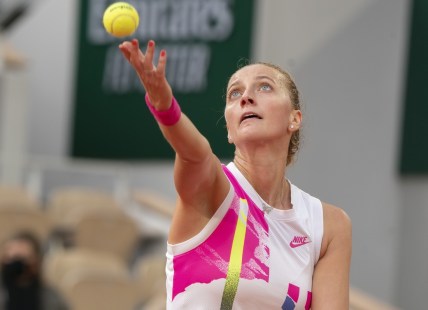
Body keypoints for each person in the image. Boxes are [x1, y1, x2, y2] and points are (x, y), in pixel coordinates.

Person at [119, 39, 352, 309]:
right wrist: (164, 105)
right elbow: (194, 154)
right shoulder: (212, 190)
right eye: (234, 93)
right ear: (229, 130)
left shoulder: (328, 226)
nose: (246, 97)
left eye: (264, 87)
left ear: (294, 119)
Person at [0, 231, 69, 310]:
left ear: (37, 262)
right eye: (12, 258)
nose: (16, 265)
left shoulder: (51, 298)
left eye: (23, 259)